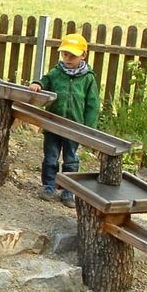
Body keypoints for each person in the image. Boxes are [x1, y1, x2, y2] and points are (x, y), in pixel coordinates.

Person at [29, 33, 101, 207]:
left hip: (74, 127)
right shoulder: (56, 72)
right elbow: (45, 80)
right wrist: (38, 83)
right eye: (65, 54)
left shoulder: (88, 78)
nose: (67, 59)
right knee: (51, 157)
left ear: (83, 55)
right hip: (53, 124)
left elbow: (92, 104)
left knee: (71, 160)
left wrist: (89, 129)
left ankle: (69, 191)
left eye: (72, 56)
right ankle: (49, 185)